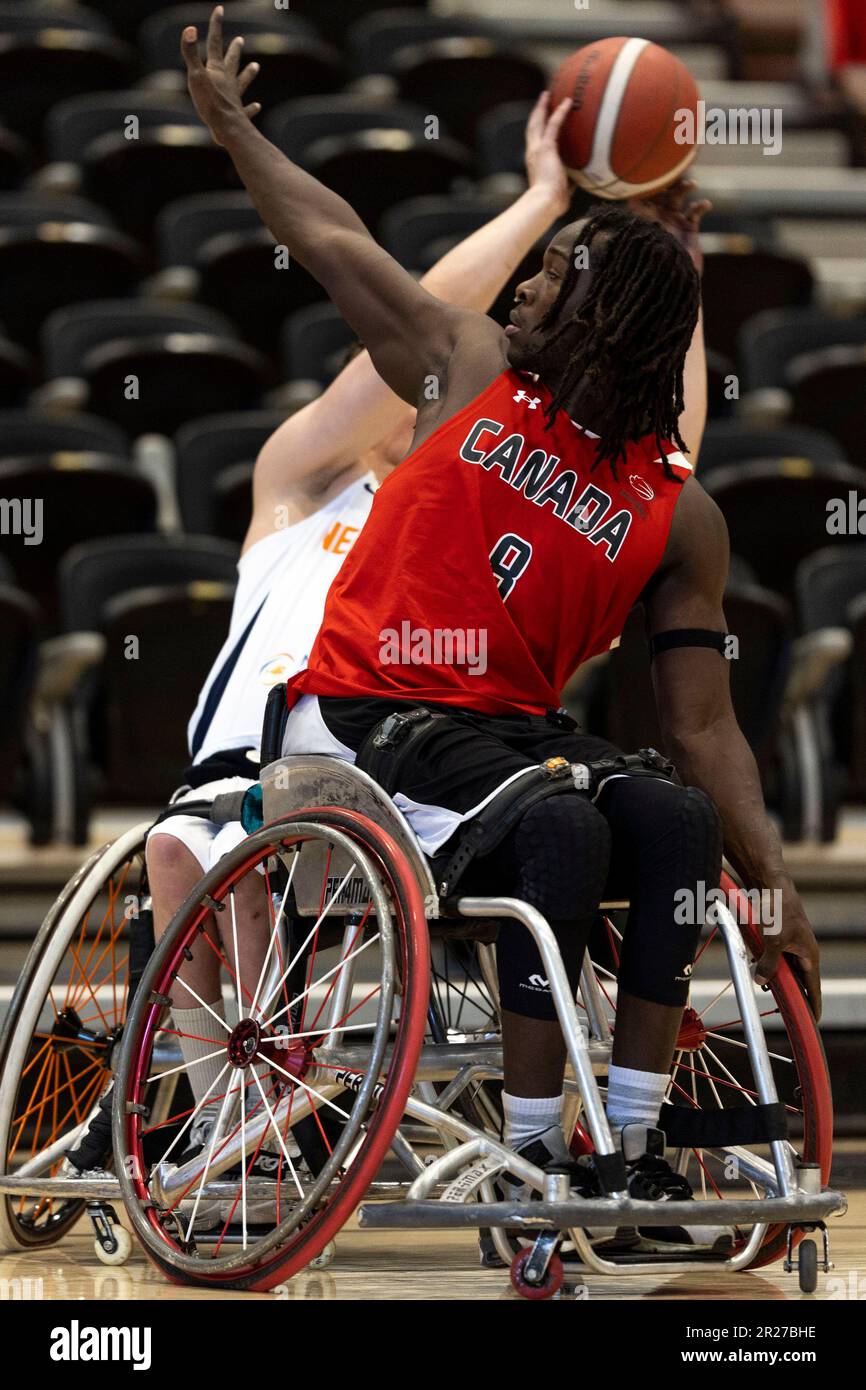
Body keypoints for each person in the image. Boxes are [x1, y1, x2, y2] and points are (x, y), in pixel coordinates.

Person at [182, 8, 821, 1217]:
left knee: (673, 823)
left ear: (602, 323)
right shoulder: (464, 367)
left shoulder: (674, 511)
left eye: (548, 276)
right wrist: (233, 134)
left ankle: (622, 1148)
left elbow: (702, 728)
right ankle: (532, 1153)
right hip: (356, 714)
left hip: (498, 743)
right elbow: (333, 237)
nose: (524, 288)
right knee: (562, 832)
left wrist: (772, 879)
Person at [65, 86, 581, 1182]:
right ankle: (236, 1121)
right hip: (233, 771)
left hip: (372, 769)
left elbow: (649, 468)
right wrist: (541, 201)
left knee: (243, 857)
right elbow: (423, 310)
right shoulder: (300, 485)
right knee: (180, 847)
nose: (400, 390)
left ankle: (269, 1102)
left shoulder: (466, 529)